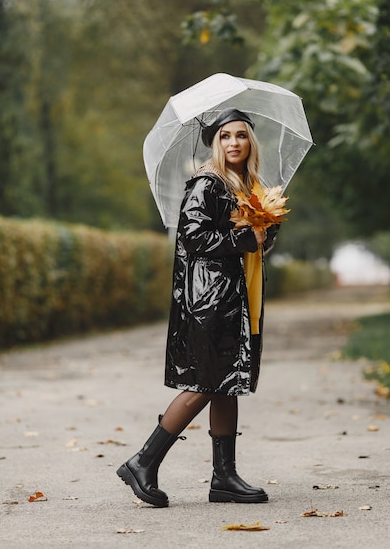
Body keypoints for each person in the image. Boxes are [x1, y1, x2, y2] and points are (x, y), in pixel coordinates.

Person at [117, 107, 280, 507]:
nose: (234, 142)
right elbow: (193, 238)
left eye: (241, 135)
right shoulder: (208, 183)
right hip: (210, 300)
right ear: (215, 143)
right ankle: (142, 461)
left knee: (227, 383)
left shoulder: (249, 186)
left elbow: (254, 245)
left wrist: (266, 230)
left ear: (250, 142)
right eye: (225, 136)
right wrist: (244, 239)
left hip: (237, 298)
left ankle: (224, 478)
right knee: (205, 383)